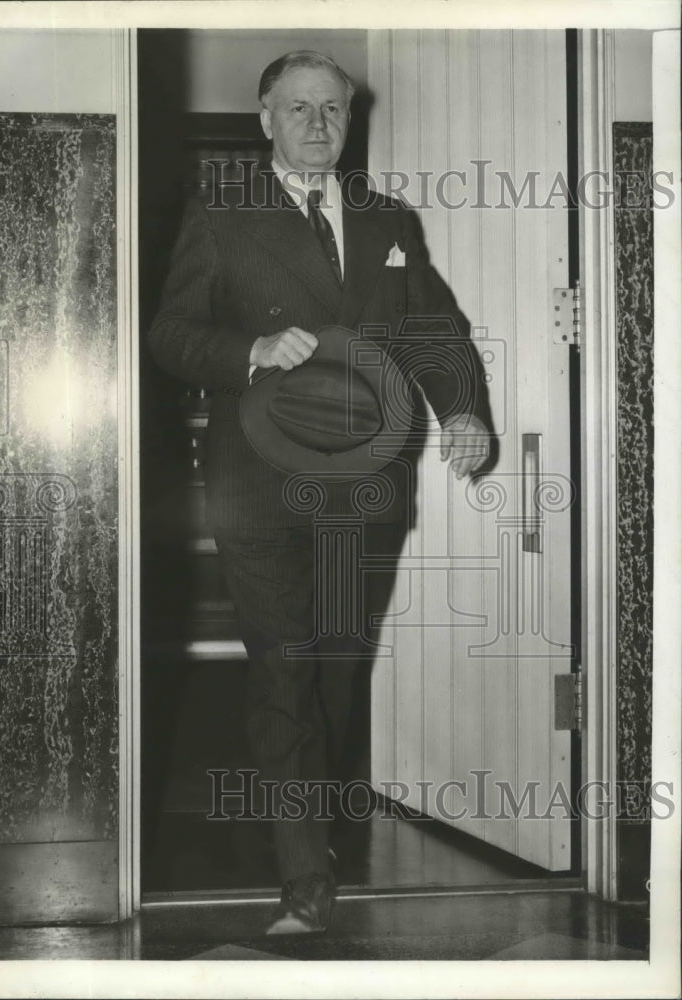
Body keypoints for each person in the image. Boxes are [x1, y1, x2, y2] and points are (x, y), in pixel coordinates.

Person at [148, 50, 491, 934]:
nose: (314, 124)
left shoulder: (385, 219)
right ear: (264, 118)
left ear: (349, 118)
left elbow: (435, 329)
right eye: (295, 108)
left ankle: (316, 828)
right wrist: (251, 352)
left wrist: (463, 412)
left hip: (362, 482)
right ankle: (302, 876)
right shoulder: (221, 213)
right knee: (283, 666)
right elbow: (172, 335)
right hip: (257, 482)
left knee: (336, 663)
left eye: (330, 109)